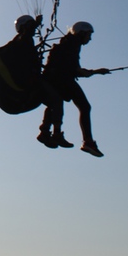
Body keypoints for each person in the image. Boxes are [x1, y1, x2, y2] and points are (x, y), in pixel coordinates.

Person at [37, 21, 110, 157]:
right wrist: (95, 72)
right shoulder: (71, 45)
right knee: (84, 107)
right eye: (88, 35)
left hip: (56, 79)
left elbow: (72, 68)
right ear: (81, 33)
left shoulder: (69, 44)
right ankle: (87, 141)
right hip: (61, 80)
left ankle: (46, 132)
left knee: (55, 104)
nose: (90, 38)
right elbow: (75, 70)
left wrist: (94, 72)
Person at [0, 14, 43, 114]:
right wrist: (36, 23)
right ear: (23, 27)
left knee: (52, 97)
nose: (33, 29)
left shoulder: (24, 44)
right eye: (30, 25)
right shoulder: (19, 42)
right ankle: (53, 123)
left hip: (15, 97)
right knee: (52, 95)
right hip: (14, 97)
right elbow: (25, 36)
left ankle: (50, 123)